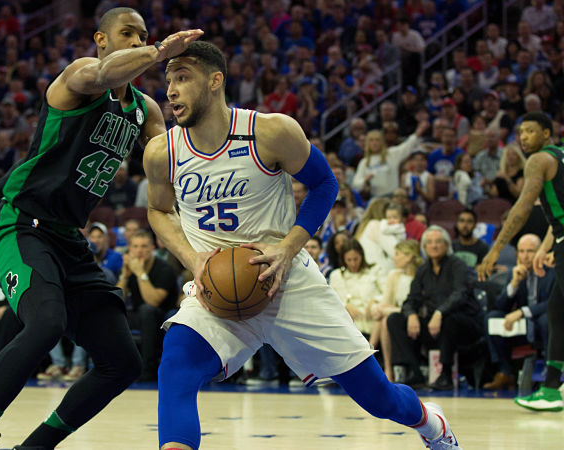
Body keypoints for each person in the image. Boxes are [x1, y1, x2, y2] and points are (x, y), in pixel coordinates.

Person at [145, 41, 459, 450]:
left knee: (377, 398)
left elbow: (325, 183)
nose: (170, 90)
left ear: (215, 81)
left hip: (287, 279)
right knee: (176, 364)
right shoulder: (161, 152)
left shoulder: (270, 131)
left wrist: (290, 245)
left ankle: (430, 423)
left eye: (182, 77)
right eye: (168, 79)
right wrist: (193, 258)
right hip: (217, 285)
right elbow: (158, 211)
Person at [0, 9, 202, 450]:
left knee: (121, 362)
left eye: (143, 35)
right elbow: (103, 72)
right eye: (127, 34)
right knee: (46, 323)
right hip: (22, 224)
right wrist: (157, 52)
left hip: (69, 239)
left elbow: (171, 155)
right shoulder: (79, 76)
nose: (137, 40)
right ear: (101, 38)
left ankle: (37, 445)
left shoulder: (145, 109)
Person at [478, 112, 564, 412]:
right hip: (561, 239)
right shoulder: (560, 156)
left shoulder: (538, 160)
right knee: (556, 312)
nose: (524, 137)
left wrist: (495, 249)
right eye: (520, 132)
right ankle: (552, 389)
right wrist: (547, 247)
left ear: (547, 133)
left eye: (531, 131)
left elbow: (522, 208)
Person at [386, 226, 484, 391]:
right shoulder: (423, 270)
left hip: (465, 324)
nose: (434, 246)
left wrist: (439, 312)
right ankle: (414, 372)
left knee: (449, 320)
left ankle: (445, 375)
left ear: (446, 245)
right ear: (424, 248)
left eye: (438, 242)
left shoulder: (457, 265)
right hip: (434, 326)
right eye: (429, 242)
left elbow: (460, 294)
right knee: (394, 319)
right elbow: (411, 299)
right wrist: (411, 315)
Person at [483, 234, 554, 390]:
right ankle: (505, 372)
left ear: (540, 252)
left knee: (546, 319)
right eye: (521, 251)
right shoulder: (513, 272)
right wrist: (514, 284)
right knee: (493, 318)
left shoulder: (551, 271)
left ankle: (551, 373)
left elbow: (553, 304)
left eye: (530, 251)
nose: (525, 256)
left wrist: (522, 312)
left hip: (543, 323)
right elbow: (501, 307)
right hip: (524, 326)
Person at [117, 230, 179, 381]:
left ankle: (147, 369)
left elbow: (153, 301)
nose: (139, 250)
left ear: (152, 248)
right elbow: (118, 300)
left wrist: (140, 274)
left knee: (147, 311)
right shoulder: (130, 267)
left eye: (144, 246)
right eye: (135, 246)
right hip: (139, 314)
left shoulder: (164, 268)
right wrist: (124, 276)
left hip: (164, 317)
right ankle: (112, 366)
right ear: (129, 249)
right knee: (111, 313)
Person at [376, 240, 423, 381]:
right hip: (396, 315)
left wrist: (386, 310)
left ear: (409, 256)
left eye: (397, 254)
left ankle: (380, 362)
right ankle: (388, 368)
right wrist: (380, 308)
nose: (393, 258)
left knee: (387, 319)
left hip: (416, 317)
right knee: (383, 318)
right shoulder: (394, 275)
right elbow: (385, 302)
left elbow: (419, 307)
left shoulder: (421, 275)